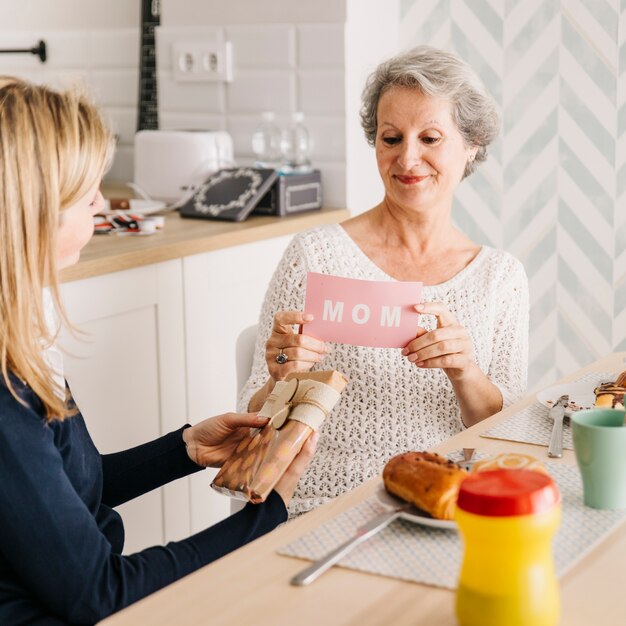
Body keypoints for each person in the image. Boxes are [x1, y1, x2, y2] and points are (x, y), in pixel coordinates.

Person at [0, 77, 317, 625]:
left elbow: (65, 491)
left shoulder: (22, 339)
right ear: (33, 210)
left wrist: (185, 449)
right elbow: (102, 593)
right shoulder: (6, 389)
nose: (103, 201)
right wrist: (270, 515)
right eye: (88, 189)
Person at [239, 45, 529, 516]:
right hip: (316, 506)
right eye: (391, 138)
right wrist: (280, 379)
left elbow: (506, 434)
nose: (407, 159)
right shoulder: (316, 255)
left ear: (471, 144)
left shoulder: (501, 278)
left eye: (430, 138)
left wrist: (466, 372)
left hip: (441, 510)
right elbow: (252, 416)